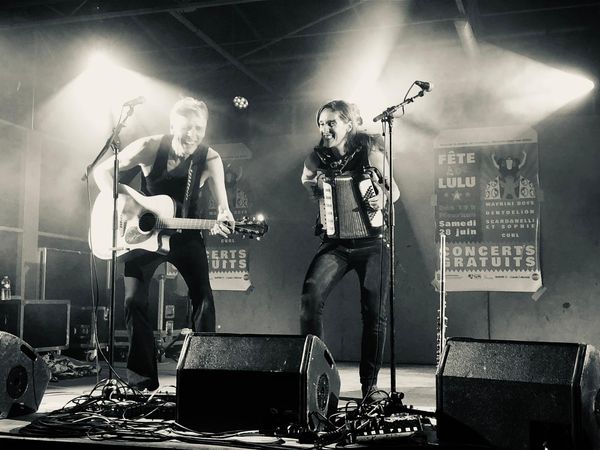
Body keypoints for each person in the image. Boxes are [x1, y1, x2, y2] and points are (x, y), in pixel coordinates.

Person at [93, 97, 234, 390]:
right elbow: (101, 172)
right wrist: (124, 203)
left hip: (186, 235)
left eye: (199, 128)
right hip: (142, 233)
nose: (192, 135)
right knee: (133, 301)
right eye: (186, 128)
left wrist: (225, 214)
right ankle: (142, 382)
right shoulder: (149, 147)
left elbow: (223, 206)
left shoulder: (210, 159)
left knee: (203, 299)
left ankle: (204, 379)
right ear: (172, 126)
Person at [300, 100, 400, 401]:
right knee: (310, 298)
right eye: (321, 123)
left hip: (372, 242)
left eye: (331, 122)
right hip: (336, 242)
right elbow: (305, 180)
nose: (325, 129)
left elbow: (393, 191)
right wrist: (316, 186)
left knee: (374, 314)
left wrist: (380, 198)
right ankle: (315, 375)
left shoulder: (370, 149)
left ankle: (370, 386)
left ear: (348, 124)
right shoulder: (317, 156)